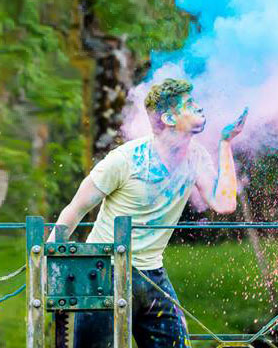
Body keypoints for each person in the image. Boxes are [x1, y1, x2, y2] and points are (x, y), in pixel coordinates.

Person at [49, 78, 247, 348]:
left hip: (152, 275)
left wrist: (225, 144)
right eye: (189, 105)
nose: (200, 108)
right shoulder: (125, 159)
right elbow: (75, 209)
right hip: (103, 273)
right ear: (168, 117)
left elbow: (224, 204)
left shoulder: (196, 157)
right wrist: (48, 260)